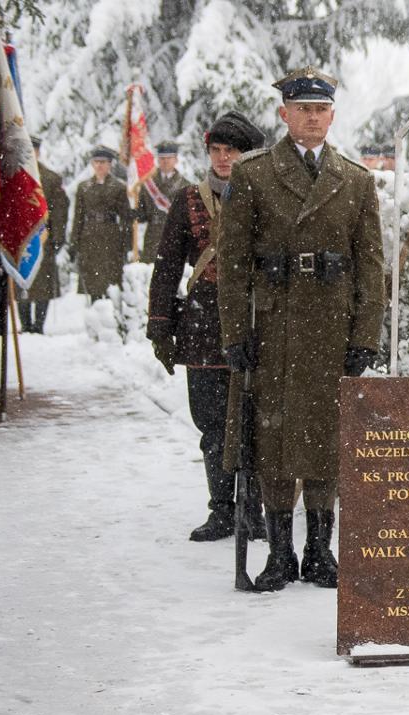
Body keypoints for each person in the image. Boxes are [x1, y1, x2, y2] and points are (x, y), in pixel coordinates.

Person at [217, 67, 387, 592]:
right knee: (272, 441)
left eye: (321, 109)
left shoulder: (356, 180)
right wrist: (234, 333)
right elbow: (234, 263)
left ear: (332, 115)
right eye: (302, 108)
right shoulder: (253, 176)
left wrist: (365, 338)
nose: (312, 117)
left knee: (325, 441)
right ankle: (280, 554)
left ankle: (320, 551)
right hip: (276, 328)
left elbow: (370, 266)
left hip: (332, 329)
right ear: (283, 113)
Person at [148, 112, 270, 545]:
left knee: (255, 423)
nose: (222, 159)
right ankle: (222, 511)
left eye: (231, 151)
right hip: (202, 327)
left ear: (247, 154)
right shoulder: (187, 200)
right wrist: (160, 326)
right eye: (216, 151)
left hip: (256, 324)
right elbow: (166, 267)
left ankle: (253, 512)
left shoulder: (266, 196)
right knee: (213, 425)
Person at [70, 147, 132, 300]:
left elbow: (126, 218)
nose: (99, 166)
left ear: (110, 164)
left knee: (111, 281)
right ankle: (94, 311)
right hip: (89, 237)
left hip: (110, 237)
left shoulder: (118, 187)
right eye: (96, 162)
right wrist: (74, 242)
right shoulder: (83, 187)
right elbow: (78, 216)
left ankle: (110, 314)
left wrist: (126, 244)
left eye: (103, 162)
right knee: (92, 282)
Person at [20, 137, 68, 333]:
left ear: (39, 152)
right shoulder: (13, 176)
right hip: (21, 239)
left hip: (43, 236)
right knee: (22, 281)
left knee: (43, 283)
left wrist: (57, 237)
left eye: (34, 150)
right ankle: (25, 324)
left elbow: (59, 210)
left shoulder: (50, 178)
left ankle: (38, 325)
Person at [135, 142, 192, 264]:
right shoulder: (147, 185)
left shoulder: (186, 186)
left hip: (176, 236)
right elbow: (141, 216)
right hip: (153, 237)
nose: (165, 161)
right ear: (157, 160)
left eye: (169, 158)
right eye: (162, 158)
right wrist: (133, 208)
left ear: (176, 160)